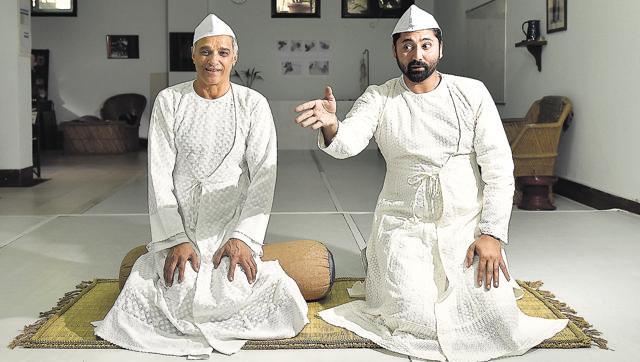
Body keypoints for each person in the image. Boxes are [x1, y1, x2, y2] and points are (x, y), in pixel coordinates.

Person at [294, 5, 567, 361]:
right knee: (412, 316)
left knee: (491, 318)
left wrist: (491, 234)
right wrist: (332, 124)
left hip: (464, 225)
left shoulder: (472, 93)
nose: (417, 54)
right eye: (407, 45)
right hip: (402, 225)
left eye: (425, 44)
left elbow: (499, 168)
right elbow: (347, 144)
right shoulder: (380, 96)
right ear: (395, 51)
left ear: (440, 49)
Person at [95, 13, 308, 357]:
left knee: (239, 287)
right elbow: (159, 175)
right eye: (206, 52)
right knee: (174, 287)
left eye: (223, 53)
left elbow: (263, 177)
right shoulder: (170, 101)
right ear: (192, 55)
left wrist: (242, 237)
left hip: (230, 224)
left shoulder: (253, 104)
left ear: (234, 57)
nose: (214, 61)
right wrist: (176, 239)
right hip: (182, 222)